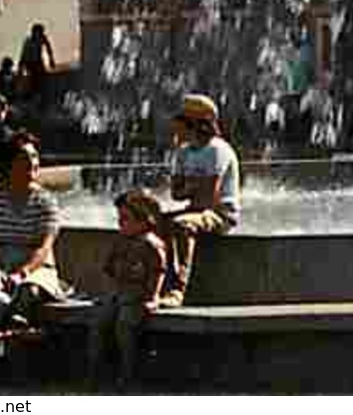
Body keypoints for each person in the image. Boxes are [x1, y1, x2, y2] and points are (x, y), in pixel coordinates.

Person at [0, 131, 65, 388]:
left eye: (35, 157)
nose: (33, 164)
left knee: (26, 292)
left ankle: (7, 357)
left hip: (35, 265)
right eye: (25, 159)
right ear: (9, 164)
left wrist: (22, 273)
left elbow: (45, 246)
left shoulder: (46, 200)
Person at [160, 94, 240, 308]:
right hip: (194, 209)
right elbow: (176, 194)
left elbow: (208, 197)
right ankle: (154, 284)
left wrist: (190, 186)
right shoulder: (182, 153)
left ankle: (178, 289)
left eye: (179, 123)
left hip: (220, 214)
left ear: (193, 125)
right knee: (154, 221)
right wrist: (195, 185)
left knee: (182, 225)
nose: (174, 129)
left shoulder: (217, 150)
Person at [86, 188, 166, 389]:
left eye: (126, 219)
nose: (120, 223)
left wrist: (152, 298)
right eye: (119, 219)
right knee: (99, 322)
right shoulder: (120, 241)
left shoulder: (151, 245)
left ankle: (127, 371)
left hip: (138, 296)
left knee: (125, 325)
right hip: (118, 293)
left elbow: (158, 272)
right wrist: (108, 290)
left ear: (144, 221)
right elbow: (108, 269)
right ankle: (94, 369)